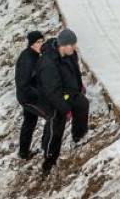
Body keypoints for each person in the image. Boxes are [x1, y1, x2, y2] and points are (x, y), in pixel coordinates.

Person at [38, 28, 89, 177]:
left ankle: (78, 136)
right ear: (63, 45)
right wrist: (65, 109)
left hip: (70, 94)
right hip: (54, 101)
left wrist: (79, 86)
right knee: (56, 129)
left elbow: (75, 71)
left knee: (83, 104)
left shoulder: (70, 55)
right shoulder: (48, 64)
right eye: (72, 45)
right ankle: (49, 161)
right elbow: (51, 92)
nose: (75, 47)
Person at [14, 30, 49, 160]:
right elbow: (23, 84)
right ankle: (47, 150)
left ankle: (23, 153)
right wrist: (39, 96)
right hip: (29, 98)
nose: (41, 44)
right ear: (31, 44)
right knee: (52, 116)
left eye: (42, 41)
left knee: (29, 122)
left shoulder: (35, 55)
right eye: (38, 42)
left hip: (29, 96)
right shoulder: (27, 60)